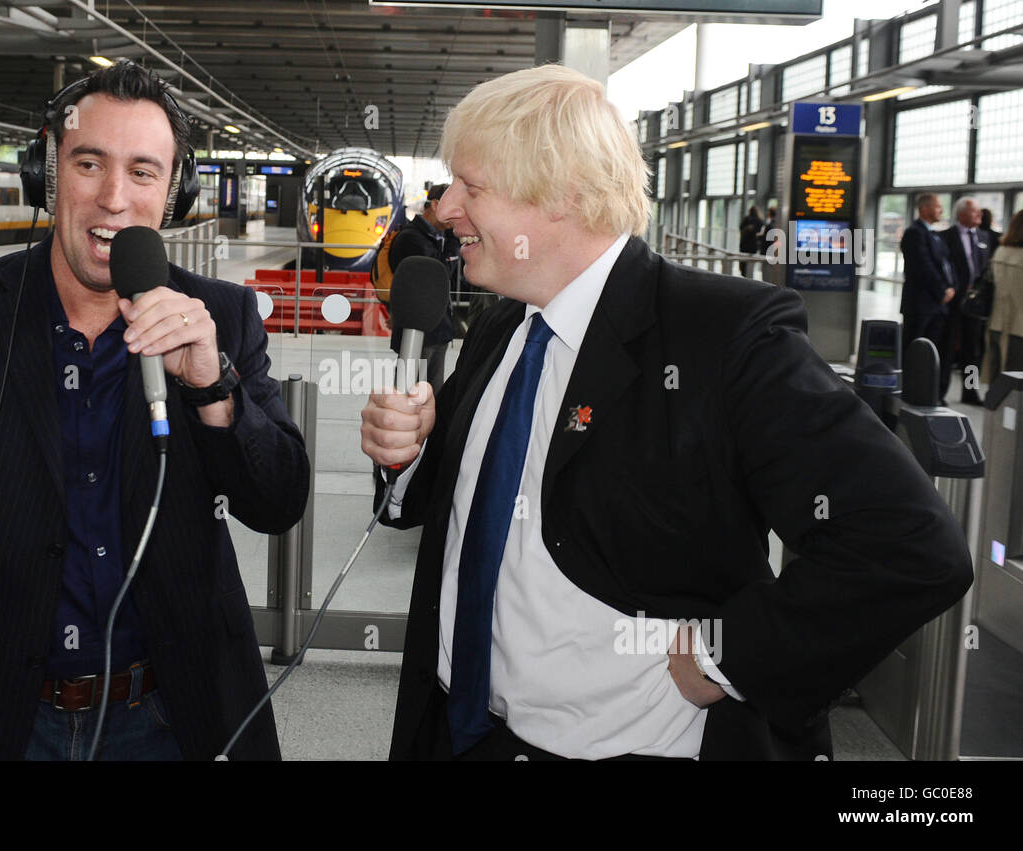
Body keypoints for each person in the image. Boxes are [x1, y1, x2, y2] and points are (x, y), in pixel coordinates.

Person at [359, 64, 972, 761]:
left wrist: (727, 656)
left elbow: (908, 542)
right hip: (463, 731)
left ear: (558, 194)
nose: (444, 210)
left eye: (471, 186)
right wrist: (407, 458)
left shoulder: (722, 334)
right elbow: (474, 504)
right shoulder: (504, 325)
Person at [0, 61, 309, 760]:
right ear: (49, 172)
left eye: (143, 172)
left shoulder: (221, 319)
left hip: (173, 717)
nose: (113, 198)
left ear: (175, 192)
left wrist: (212, 387)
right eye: (90, 163)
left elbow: (278, 499)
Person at [388, 184, 456, 395]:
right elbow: (440, 273)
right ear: (435, 205)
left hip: (437, 330)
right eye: (453, 208)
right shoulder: (411, 238)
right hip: (418, 333)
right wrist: (454, 243)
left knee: (431, 394)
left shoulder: (434, 237)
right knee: (415, 394)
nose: (456, 217)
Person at [900, 193, 956, 402]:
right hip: (920, 305)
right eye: (937, 207)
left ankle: (927, 392)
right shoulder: (914, 233)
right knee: (914, 351)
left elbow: (946, 265)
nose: (941, 210)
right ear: (924, 209)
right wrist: (942, 291)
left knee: (933, 352)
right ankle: (908, 391)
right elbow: (922, 267)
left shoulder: (935, 234)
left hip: (938, 306)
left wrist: (952, 287)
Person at [941, 197, 987, 405]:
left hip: (974, 304)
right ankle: (939, 392)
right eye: (974, 211)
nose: (979, 214)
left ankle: (970, 392)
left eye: (979, 211)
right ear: (961, 215)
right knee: (947, 347)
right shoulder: (945, 237)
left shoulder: (985, 237)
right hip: (952, 302)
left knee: (972, 350)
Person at [986, 210, 1023, 382]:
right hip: (1019, 329)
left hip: (996, 323)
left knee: (997, 376)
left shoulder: (1000, 251)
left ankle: (993, 409)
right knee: (1016, 383)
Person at [738, 204, 763, 278]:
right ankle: (749, 276)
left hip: (744, 245)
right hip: (753, 246)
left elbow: (741, 227)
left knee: (743, 263)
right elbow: (760, 229)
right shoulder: (759, 220)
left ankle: (744, 275)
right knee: (750, 263)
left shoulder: (746, 219)